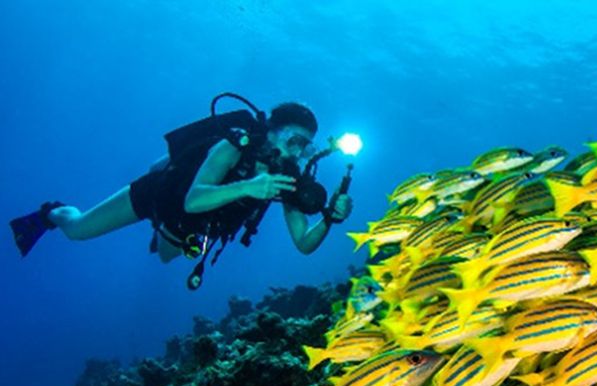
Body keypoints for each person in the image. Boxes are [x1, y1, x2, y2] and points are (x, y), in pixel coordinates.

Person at [9, 101, 352, 271]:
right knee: (78, 231)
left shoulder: (288, 179)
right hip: (160, 195)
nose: (296, 153)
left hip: (191, 226)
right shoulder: (234, 146)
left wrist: (329, 218)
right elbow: (194, 199)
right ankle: (51, 212)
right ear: (272, 131)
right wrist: (249, 187)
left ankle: (168, 236)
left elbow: (304, 244)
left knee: (165, 256)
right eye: (293, 140)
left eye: (304, 147)